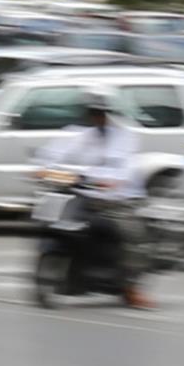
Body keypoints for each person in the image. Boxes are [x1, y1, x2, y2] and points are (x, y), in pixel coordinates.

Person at [35, 96, 151, 308]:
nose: (96, 117)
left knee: (132, 239)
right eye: (92, 113)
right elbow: (51, 155)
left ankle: (132, 288)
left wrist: (112, 181)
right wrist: (42, 168)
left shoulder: (124, 137)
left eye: (100, 113)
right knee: (54, 223)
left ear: (107, 114)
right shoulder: (76, 133)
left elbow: (126, 168)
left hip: (115, 200)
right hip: (82, 196)